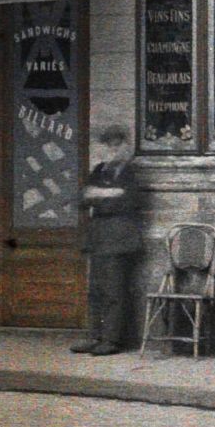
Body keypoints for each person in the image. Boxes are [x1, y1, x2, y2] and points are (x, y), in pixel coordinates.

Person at [70, 124, 140, 356]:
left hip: (119, 240)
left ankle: (111, 339)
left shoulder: (131, 173)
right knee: (95, 290)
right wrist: (109, 193)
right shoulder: (99, 170)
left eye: (116, 145)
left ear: (125, 147)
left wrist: (98, 194)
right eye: (108, 146)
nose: (112, 150)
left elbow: (128, 202)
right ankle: (94, 336)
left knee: (114, 291)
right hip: (98, 238)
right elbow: (81, 198)